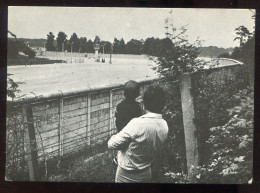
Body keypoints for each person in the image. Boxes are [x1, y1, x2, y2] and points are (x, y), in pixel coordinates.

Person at [108, 85, 168, 183]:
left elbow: (111, 144)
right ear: (163, 104)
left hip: (127, 174)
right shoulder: (164, 125)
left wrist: (115, 137)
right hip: (146, 170)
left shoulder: (136, 123)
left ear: (144, 103)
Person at [113, 80, 143, 165]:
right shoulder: (137, 107)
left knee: (122, 152)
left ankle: (119, 161)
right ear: (136, 94)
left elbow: (117, 121)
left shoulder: (120, 106)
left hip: (122, 132)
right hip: (134, 135)